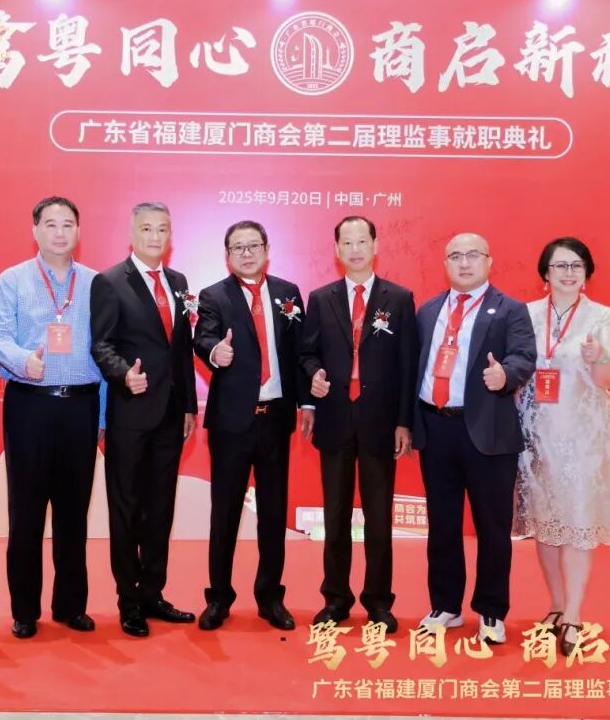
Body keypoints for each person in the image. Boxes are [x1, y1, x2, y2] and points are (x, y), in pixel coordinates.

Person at [0, 196, 105, 639]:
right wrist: (23, 361)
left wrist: (103, 415)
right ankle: (24, 610)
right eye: (50, 224)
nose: (59, 232)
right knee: (27, 512)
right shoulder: (13, 279)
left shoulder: (95, 283)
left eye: (68, 224)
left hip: (81, 406)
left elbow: (105, 349)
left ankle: (71, 606)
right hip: (30, 405)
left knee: (74, 511)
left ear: (79, 231)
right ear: (34, 230)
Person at [413, 232, 536, 645]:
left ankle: (491, 610)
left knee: (492, 526)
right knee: (442, 524)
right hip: (436, 427)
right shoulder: (429, 310)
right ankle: (446, 605)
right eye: (455, 256)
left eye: (472, 255)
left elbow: (524, 356)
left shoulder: (510, 309)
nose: (464, 263)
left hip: (488, 431)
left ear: (489, 261)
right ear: (445, 264)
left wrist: (506, 375)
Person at [299, 215, 418, 634]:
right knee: (335, 516)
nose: (354, 249)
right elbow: (307, 353)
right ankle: (335, 599)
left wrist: (404, 422)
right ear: (336, 250)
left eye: (361, 241)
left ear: (375, 245)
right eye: (346, 243)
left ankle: (379, 601)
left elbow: (408, 366)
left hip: (379, 422)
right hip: (335, 417)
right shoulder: (321, 298)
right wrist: (312, 375)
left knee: (378, 518)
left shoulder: (398, 299)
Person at [193, 220, 309, 631]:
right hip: (232, 422)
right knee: (225, 512)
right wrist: (215, 353)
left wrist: (308, 399)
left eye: (253, 246)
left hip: (275, 418)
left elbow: (301, 351)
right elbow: (203, 337)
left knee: (273, 513)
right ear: (227, 255)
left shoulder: (287, 293)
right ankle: (219, 598)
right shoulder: (214, 296)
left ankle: (270, 597)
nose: (246, 253)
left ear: (266, 250)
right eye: (238, 247)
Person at [90, 201, 198, 637]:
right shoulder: (110, 282)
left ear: (170, 237)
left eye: (163, 229)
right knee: (127, 508)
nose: (155, 237)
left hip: (171, 415)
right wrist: (123, 375)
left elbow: (181, 350)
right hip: (131, 413)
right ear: (132, 234)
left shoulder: (179, 282)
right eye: (148, 229)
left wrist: (188, 405)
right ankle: (129, 601)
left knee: (160, 508)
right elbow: (101, 345)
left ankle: (153, 593)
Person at [514, 236, 610, 656]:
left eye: (576, 266)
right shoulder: (526, 314)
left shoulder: (603, 317)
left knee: (577, 523)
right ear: (545, 273)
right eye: (559, 266)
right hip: (536, 437)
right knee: (546, 524)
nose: (568, 273)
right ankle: (557, 605)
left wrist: (599, 357)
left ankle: (574, 614)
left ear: (587, 273)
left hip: (583, 439)